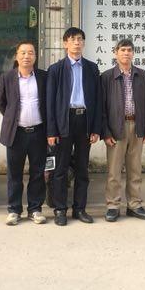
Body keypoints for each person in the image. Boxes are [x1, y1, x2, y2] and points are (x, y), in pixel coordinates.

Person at [46, 27, 102, 226]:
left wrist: (96, 128)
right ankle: (60, 209)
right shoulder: (56, 69)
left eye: (80, 39)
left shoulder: (91, 68)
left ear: (83, 43)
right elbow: (50, 103)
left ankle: (80, 209)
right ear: (65, 44)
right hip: (65, 121)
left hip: (84, 121)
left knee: (82, 168)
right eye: (72, 39)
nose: (76, 43)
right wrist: (51, 131)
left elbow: (98, 100)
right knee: (60, 169)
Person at [101, 39, 145, 222]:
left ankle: (134, 204)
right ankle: (113, 205)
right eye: (122, 50)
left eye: (129, 50)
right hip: (117, 128)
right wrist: (106, 132)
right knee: (114, 171)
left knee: (135, 169)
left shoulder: (142, 75)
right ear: (115, 53)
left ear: (133, 53)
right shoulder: (107, 76)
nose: (126, 53)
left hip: (137, 127)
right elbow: (102, 108)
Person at [0, 41, 48, 226]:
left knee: (37, 173)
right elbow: (2, 103)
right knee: (14, 174)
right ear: (16, 56)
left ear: (35, 56)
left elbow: (47, 103)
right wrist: (12, 120)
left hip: (39, 132)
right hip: (16, 133)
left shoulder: (43, 77)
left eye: (30, 53)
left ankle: (35, 209)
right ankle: (14, 210)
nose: (27, 56)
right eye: (23, 53)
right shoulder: (7, 77)